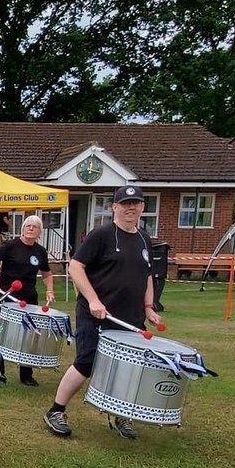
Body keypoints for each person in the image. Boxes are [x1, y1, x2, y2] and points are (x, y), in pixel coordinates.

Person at [44, 185, 161, 440]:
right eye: (125, 203)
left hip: (129, 318)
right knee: (86, 362)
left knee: (127, 366)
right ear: (114, 207)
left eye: (136, 203)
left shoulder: (144, 238)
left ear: (143, 207)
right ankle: (56, 411)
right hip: (95, 314)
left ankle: (121, 415)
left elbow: (147, 275)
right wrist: (94, 300)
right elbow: (76, 267)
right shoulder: (102, 235)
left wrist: (149, 307)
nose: (131, 207)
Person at [0, 214, 56, 386]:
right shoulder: (10, 246)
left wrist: (50, 290)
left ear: (39, 232)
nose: (30, 228)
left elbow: (47, 273)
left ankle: (26, 375)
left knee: (29, 335)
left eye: (34, 226)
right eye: (27, 225)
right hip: (6, 295)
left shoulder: (40, 251)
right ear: (22, 229)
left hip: (29, 298)